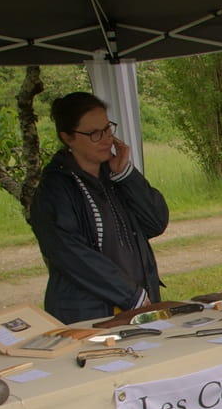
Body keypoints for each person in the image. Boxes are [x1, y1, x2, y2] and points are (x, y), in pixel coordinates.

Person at [29, 92, 169, 323]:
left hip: (135, 304)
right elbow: (71, 255)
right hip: (88, 313)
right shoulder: (55, 189)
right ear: (68, 137)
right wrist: (130, 295)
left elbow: (156, 222)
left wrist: (125, 175)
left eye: (107, 129)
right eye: (94, 133)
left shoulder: (113, 175)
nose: (106, 139)